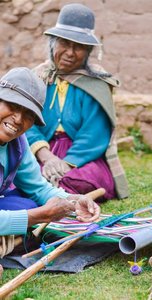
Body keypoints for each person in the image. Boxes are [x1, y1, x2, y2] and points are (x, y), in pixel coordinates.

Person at [26, 3, 129, 201]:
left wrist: (66, 164)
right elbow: (26, 123)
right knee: (22, 175)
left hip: (80, 157)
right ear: (52, 43)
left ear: (88, 51)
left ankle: (52, 194)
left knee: (83, 179)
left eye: (79, 46)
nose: (70, 52)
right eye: (64, 43)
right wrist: (46, 156)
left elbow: (94, 134)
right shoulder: (36, 78)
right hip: (40, 151)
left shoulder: (96, 84)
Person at [0, 67, 100, 260]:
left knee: (26, 203)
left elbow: (38, 189)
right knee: (30, 211)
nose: (18, 119)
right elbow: (38, 213)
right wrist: (39, 216)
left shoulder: (18, 144)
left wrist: (74, 201)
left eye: (28, 115)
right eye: (13, 105)